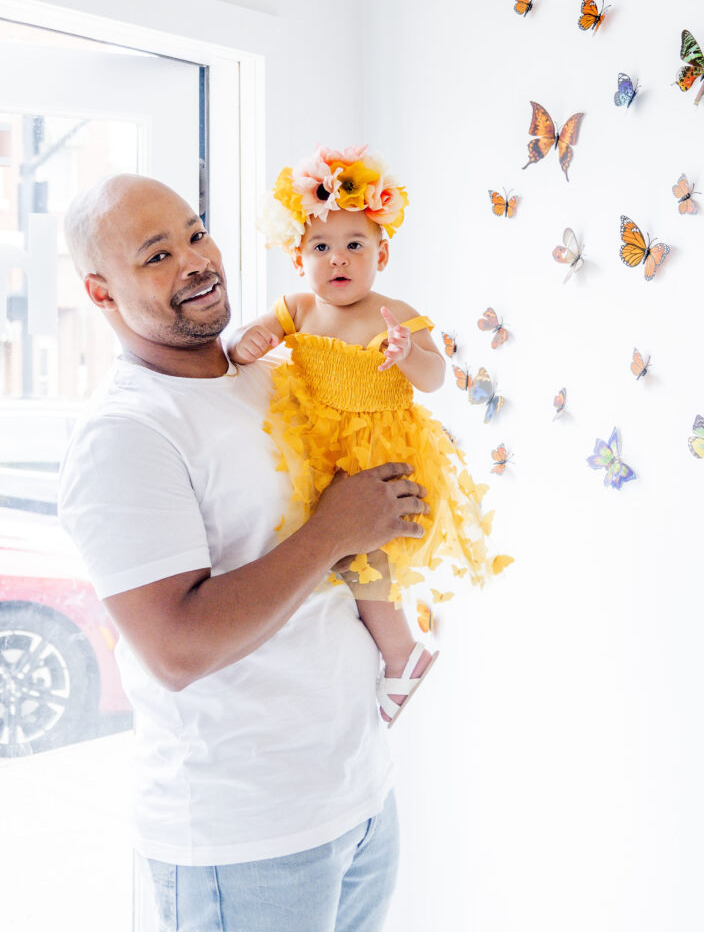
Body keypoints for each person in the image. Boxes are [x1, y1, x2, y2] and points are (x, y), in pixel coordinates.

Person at [58, 173, 431, 932]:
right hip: (246, 840)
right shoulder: (127, 433)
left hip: (357, 797)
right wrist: (336, 529)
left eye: (196, 233)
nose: (196, 261)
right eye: (156, 255)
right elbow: (178, 647)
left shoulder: (268, 373)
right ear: (101, 293)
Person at [232, 144, 511, 727]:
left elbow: (435, 379)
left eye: (355, 245)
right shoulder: (299, 307)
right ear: (298, 257)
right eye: (321, 247)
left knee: (368, 561)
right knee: (321, 553)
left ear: (381, 253)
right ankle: (364, 652)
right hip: (316, 446)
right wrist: (248, 343)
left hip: (381, 454)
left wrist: (409, 354)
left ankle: (402, 652)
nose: (339, 259)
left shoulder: (394, 312)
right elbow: (253, 335)